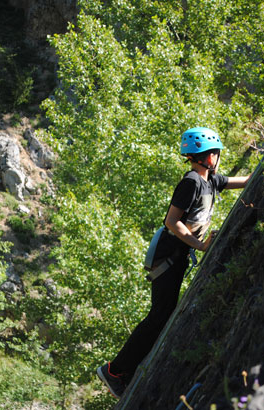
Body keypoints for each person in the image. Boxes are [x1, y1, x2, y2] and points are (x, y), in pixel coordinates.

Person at [96, 127, 251, 398]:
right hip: (167, 258)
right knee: (160, 314)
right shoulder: (191, 181)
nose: (218, 157)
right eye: (215, 153)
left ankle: (125, 370)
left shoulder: (211, 180)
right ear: (205, 156)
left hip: (176, 257)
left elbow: (246, 181)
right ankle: (114, 370)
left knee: (164, 314)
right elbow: (172, 221)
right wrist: (201, 245)